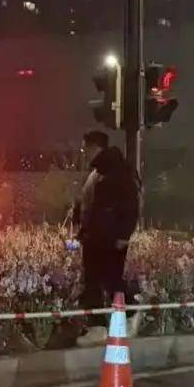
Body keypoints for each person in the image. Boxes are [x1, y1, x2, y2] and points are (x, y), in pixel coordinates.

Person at [70, 129, 141, 327]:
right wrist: (79, 218)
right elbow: (89, 204)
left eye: (85, 149)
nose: (84, 153)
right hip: (94, 238)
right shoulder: (96, 173)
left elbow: (131, 204)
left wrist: (123, 234)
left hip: (110, 239)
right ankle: (97, 324)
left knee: (110, 281)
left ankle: (129, 313)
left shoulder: (118, 171)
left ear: (95, 147)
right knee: (93, 282)